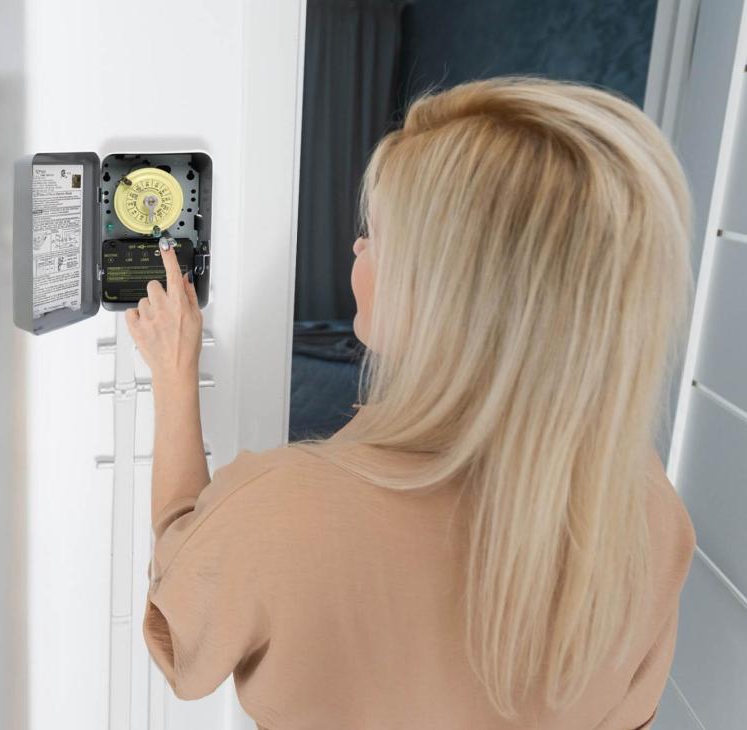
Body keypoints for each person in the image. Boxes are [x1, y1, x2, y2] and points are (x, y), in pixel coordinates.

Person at [127, 78, 695, 729]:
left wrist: (174, 379)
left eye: (380, 234)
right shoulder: (648, 510)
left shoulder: (282, 508)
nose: (358, 247)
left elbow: (182, 617)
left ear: (450, 298)